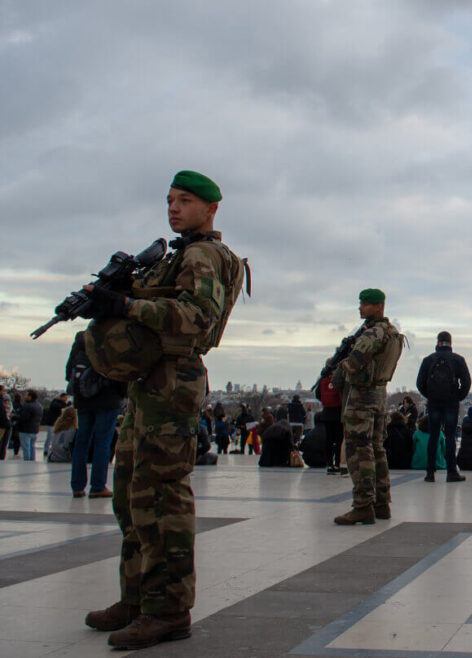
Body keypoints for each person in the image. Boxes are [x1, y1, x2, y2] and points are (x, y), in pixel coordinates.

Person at [83, 170, 244, 649]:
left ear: (211, 209)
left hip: (173, 381)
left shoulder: (202, 255)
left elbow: (196, 319)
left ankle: (168, 609)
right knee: (131, 494)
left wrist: (127, 306)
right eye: (170, 200)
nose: (173, 208)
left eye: (185, 201)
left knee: (161, 499)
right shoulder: (181, 253)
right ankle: (135, 598)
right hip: (150, 382)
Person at [331, 288, 404, 525]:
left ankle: (363, 505)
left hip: (362, 397)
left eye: (365, 304)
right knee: (376, 448)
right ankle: (381, 503)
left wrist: (339, 368)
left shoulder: (372, 334)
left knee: (358, 450)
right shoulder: (391, 333)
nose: (360, 307)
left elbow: (354, 363)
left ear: (378, 306)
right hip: (379, 396)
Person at [66, 330, 125, 497]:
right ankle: (98, 486)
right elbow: (120, 370)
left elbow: (69, 369)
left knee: (81, 442)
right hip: (108, 399)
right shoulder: (113, 336)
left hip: (83, 398)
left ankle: (77, 486)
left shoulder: (81, 338)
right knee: (103, 443)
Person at [415, 331, 472, 483]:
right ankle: (451, 471)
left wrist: (430, 395)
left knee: (433, 436)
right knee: (450, 436)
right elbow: (467, 382)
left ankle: (430, 472)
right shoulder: (458, 360)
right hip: (451, 403)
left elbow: (419, 383)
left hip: (434, 403)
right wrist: (457, 396)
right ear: (450, 343)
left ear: (438, 343)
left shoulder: (428, 360)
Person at [15, 389, 43, 461]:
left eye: (26, 395)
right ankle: (32, 461)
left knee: (26, 447)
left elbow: (24, 418)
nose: (25, 396)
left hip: (25, 429)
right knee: (32, 447)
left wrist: (14, 416)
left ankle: (27, 462)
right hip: (35, 429)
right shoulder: (39, 405)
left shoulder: (27, 406)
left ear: (30, 397)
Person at [40, 392, 69, 459]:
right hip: (52, 423)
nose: (66, 399)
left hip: (55, 423)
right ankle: (47, 450)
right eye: (65, 397)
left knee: (52, 437)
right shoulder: (56, 403)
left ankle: (48, 449)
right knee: (51, 437)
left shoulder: (58, 403)